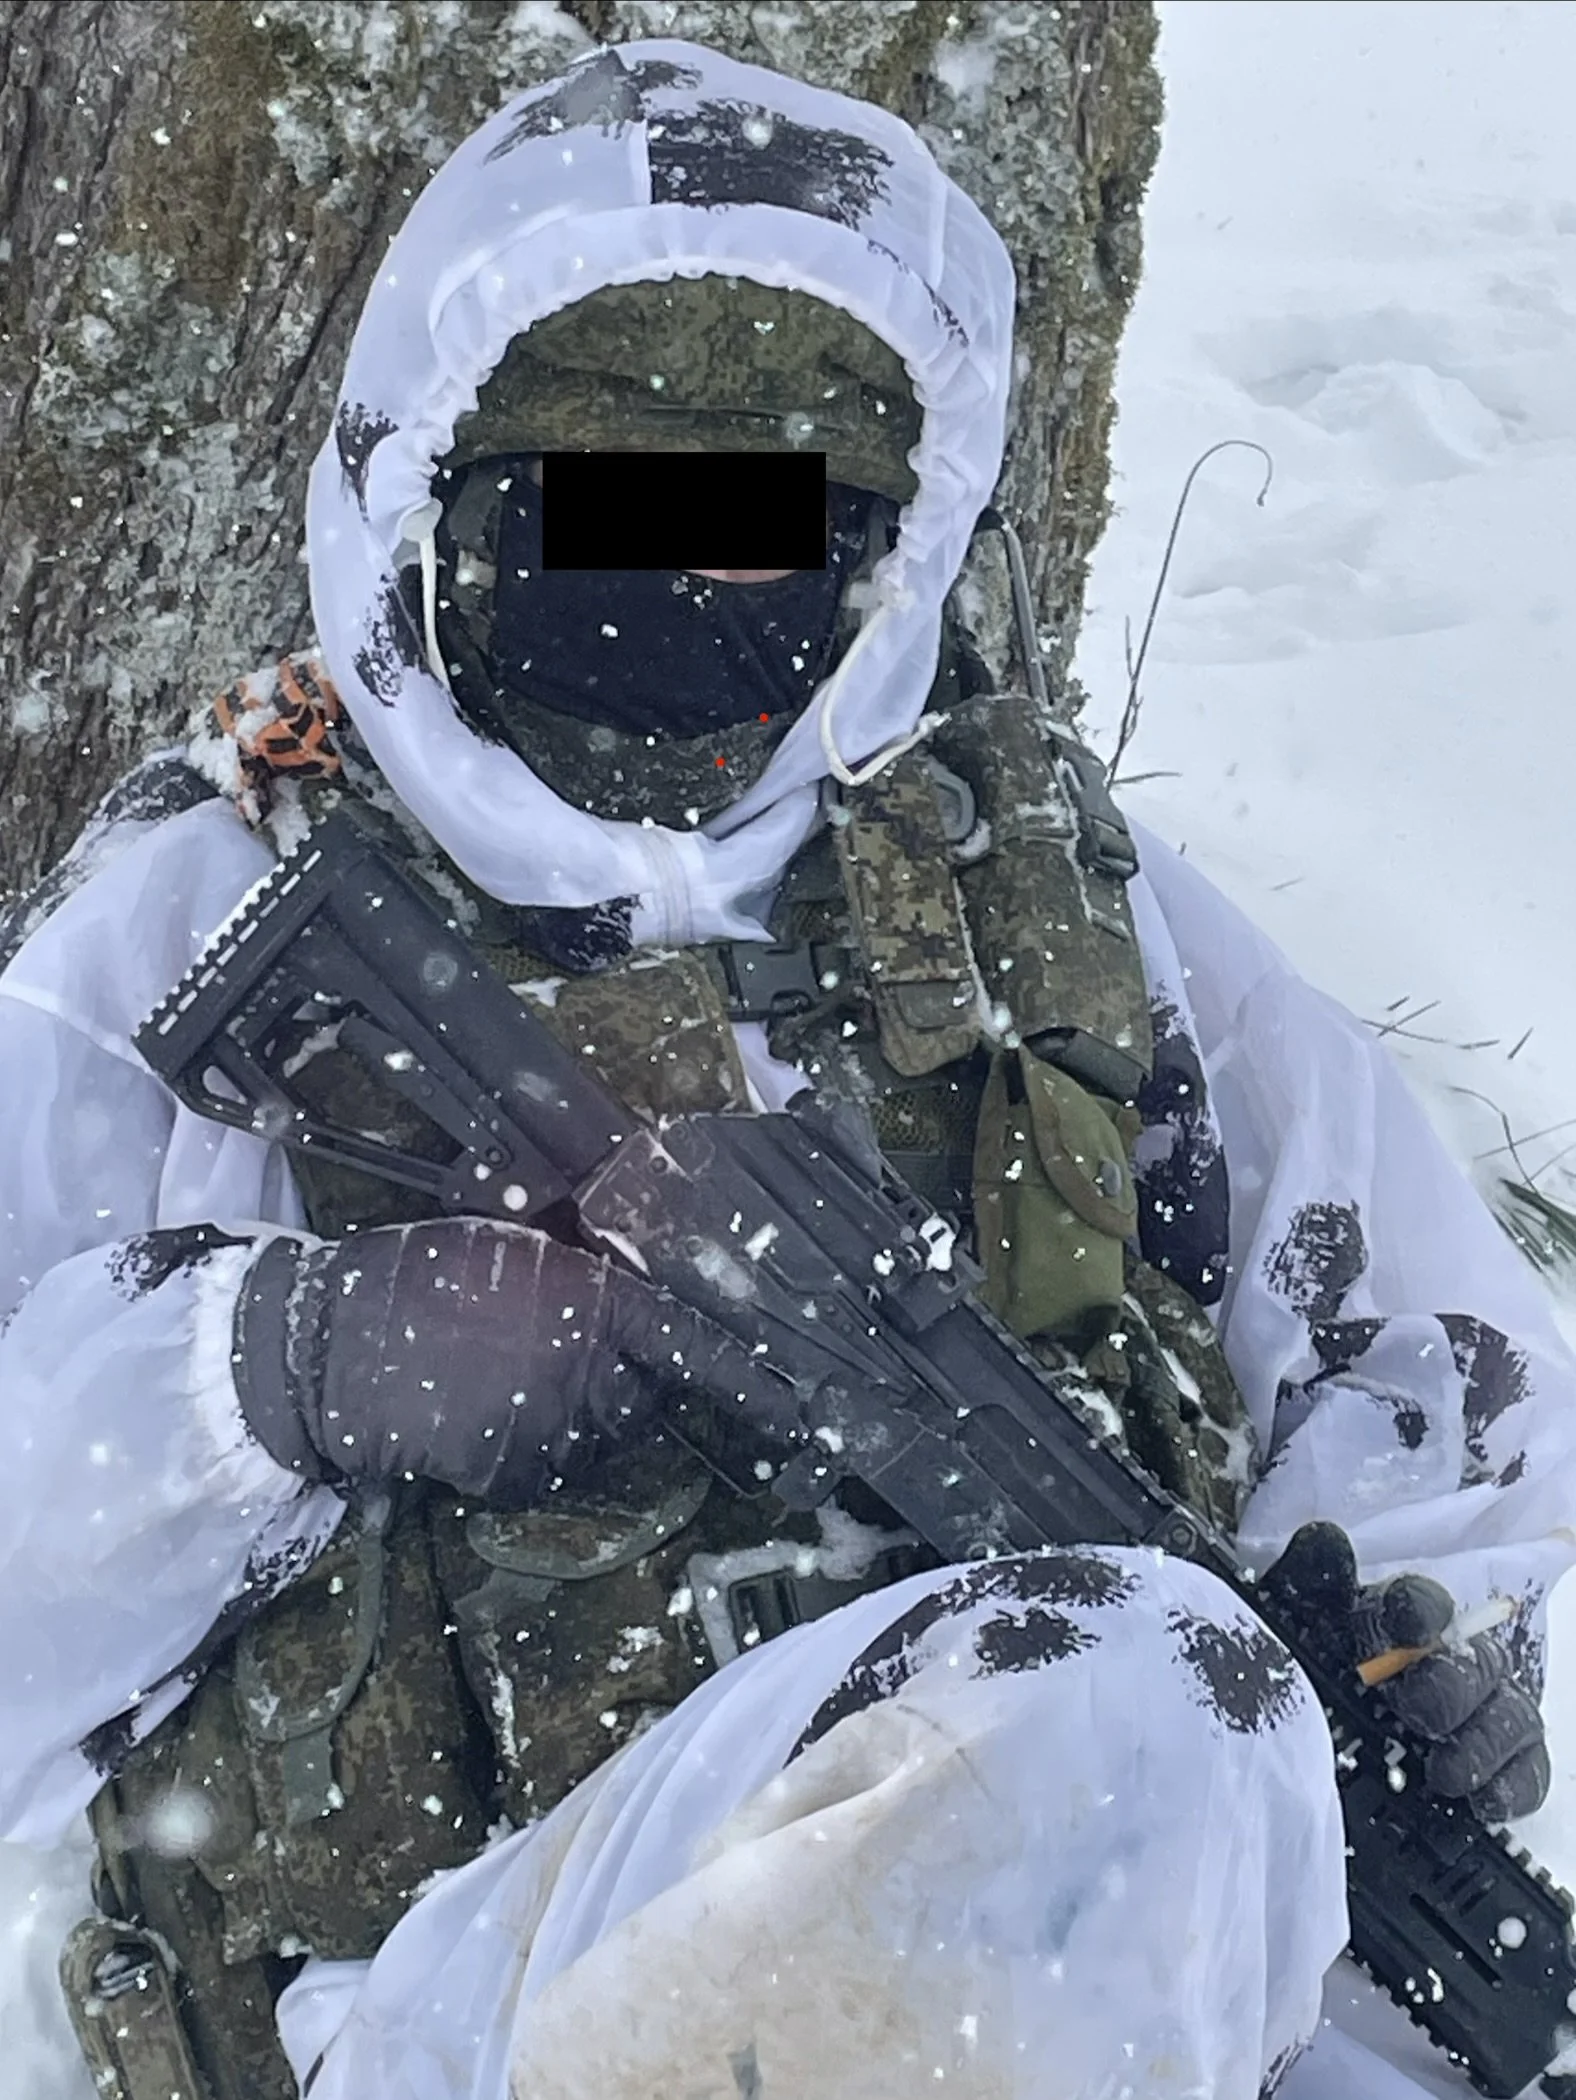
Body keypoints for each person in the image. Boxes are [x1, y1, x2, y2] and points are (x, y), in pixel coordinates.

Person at [1, 36, 1571, 2100]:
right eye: (589, 513)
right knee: (1117, 1693)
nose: (689, 589)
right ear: (433, 506)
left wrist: (1411, 1650)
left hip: (1049, 1933)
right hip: (410, 1989)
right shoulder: (196, 916)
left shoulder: (1049, 904)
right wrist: (277, 1368)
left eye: (772, 525)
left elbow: (1436, 1380)